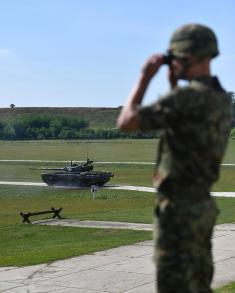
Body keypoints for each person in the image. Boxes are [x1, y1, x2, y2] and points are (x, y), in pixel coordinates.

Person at [117, 24, 232, 293]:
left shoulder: (185, 98)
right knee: (197, 283)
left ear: (189, 57)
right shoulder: (222, 99)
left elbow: (127, 121)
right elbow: (185, 128)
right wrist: (172, 83)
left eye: (176, 58)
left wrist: (144, 77)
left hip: (178, 209)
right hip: (202, 205)